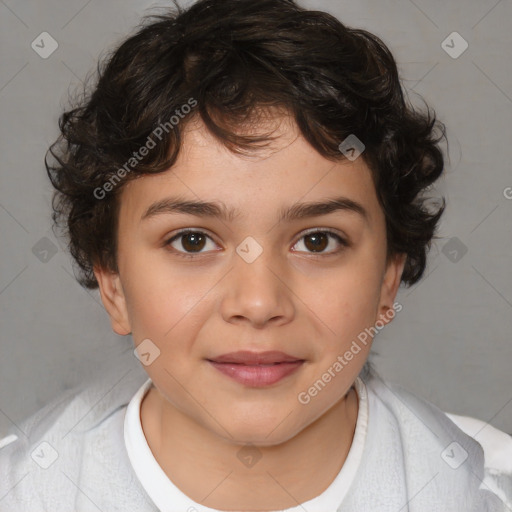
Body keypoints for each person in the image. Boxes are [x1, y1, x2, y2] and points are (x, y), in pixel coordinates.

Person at [1, 0, 511, 510]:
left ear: (387, 277)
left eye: (317, 240)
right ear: (113, 282)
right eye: (193, 241)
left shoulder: (479, 490)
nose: (259, 302)